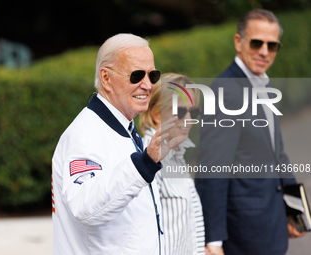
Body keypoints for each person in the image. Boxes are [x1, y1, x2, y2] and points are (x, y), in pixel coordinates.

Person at [51, 33, 183, 255]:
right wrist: (145, 163)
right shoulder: (85, 134)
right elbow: (85, 207)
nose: (148, 85)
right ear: (106, 78)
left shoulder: (124, 129)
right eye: (137, 75)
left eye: (153, 75)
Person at [195, 9, 306, 255]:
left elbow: (278, 153)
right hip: (243, 234)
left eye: (272, 45)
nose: (264, 52)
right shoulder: (225, 92)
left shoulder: (265, 83)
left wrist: (296, 211)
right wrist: (212, 240)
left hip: (272, 223)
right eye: (257, 43)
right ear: (238, 42)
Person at [140, 73, 205, 255]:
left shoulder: (176, 153)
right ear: (156, 114)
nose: (188, 120)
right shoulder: (149, 159)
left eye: (193, 112)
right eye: (181, 112)